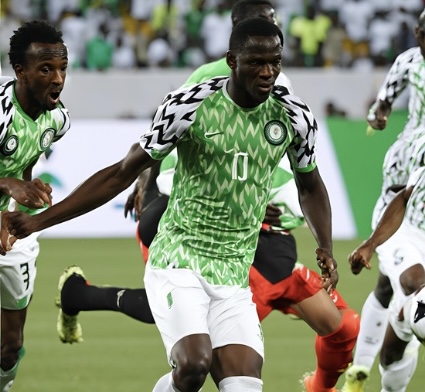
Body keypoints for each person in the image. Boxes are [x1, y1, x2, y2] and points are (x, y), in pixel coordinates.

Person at [3, 17, 338, 392]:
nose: (267, 72)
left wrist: (324, 244)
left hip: (233, 274)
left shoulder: (293, 116)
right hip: (179, 259)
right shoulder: (191, 105)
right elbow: (121, 172)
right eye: (256, 63)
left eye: (274, 62)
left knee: (244, 385)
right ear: (231, 60)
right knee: (194, 364)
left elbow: (311, 186)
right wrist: (39, 221)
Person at [342, 9, 425, 391]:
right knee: (412, 284)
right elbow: (383, 103)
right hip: (404, 212)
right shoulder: (408, 62)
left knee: (388, 290)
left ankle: (367, 366)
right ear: (416, 34)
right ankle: (368, 369)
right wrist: (378, 115)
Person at [0, 20, 70, 391]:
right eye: (46, 69)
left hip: (13, 231)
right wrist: (7, 183)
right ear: (20, 71)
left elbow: (26, 157)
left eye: (62, 68)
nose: (57, 78)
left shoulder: (57, 120)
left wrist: (25, 185)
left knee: (10, 346)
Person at [347, 163, 425, 392]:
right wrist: (371, 244)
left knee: (384, 288)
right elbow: (403, 197)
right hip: (407, 232)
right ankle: (359, 371)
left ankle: (378, 380)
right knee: (412, 286)